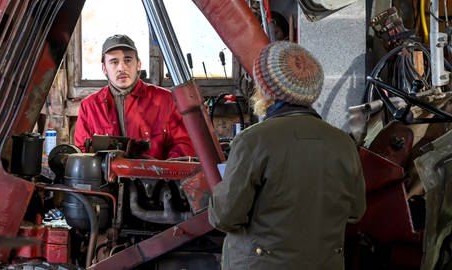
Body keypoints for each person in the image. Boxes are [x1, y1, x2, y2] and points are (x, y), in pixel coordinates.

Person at [208, 41, 366, 269]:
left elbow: (225, 217)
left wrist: (214, 196)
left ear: (266, 90)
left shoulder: (253, 141)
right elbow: (355, 211)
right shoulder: (343, 143)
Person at [74, 34, 195, 159]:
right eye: (114, 62)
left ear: (138, 64)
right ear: (104, 68)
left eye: (128, 60)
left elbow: (183, 143)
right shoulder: (89, 107)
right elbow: (83, 152)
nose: (122, 68)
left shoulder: (166, 100)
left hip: (155, 177)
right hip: (106, 178)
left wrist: (164, 172)